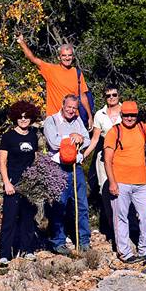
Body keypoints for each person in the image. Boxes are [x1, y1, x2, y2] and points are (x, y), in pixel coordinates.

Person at [104, 100, 146, 263]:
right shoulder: (115, 131)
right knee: (121, 218)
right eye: (126, 115)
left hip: (141, 182)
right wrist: (112, 183)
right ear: (121, 115)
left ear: (137, 115)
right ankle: (125, 253)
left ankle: (144, 249)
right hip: (120, 182)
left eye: (132, 115)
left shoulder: (143, 128)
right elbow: (107, 160)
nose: (129, 118)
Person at [43, 95, 92, 254]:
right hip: (58, 169)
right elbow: (54, 142)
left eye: (74, 108)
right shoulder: (52, 121)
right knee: (59, 205)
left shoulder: (77, 120)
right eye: (69, 107)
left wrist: (78, 139)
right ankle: (58, 241)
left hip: (75, 167)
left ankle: (84, 241)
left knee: (81, 205)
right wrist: (72, 137)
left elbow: (87, 141)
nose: (71, 110)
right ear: (63, 105)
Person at [0, 100, 42, 273]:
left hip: (30, 185)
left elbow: (36, 158)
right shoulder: (8, 137)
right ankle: (4, 254)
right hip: (13, 183)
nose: (23, 120)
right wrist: (7, 182)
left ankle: (27, 249)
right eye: (20, 117)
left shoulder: (33, 135)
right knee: (9, 219)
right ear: (15, 117)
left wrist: (38, 180)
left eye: (27, 117)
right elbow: (2, 162)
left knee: (28, 218)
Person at [16, 33, 93, 123]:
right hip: (55, 119)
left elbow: (83, 96)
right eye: (64, 55)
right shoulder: (50, 70)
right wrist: (21, 42)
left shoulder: (77, 73)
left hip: (74, 119)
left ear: (73, 57)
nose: (67, 58)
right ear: (59, 57)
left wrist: (90, 117)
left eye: (69, 55)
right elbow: (32, 58)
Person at [90, 85, 123, 251]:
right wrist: (83, 154)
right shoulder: (99, 115)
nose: (111, 97)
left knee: (123, 193)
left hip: (123, 159)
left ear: (118, 95)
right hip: (104, 159)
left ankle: (125, 231)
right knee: (106, 194)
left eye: (114, 94)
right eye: (108, 95)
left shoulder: (126, 111)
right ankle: (113, 231)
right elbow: (95, 139)